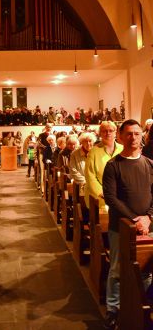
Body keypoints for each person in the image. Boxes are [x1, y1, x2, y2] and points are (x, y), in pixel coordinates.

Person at [102, 119, 153, 329]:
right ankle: (113, 309)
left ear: (142, 137)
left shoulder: (149, 164)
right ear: (121, 137)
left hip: (147, 225)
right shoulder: (113, 165)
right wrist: (134, 219)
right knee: (116, 270)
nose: (133, 138)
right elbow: (111, 199)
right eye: (129, 134)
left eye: (137, 134)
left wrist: (148, 217)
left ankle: (144, 303)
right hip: (120, 226)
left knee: (147, 268)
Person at [84, 121, 123, 208]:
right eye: (104, 131)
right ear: (100, 133)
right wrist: (102, 193)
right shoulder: (93, 152)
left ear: (115, 133)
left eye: (111, 130)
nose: (108, 133)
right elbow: (90, 176)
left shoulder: (122, 149)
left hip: (120, 194)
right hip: (99, 196)